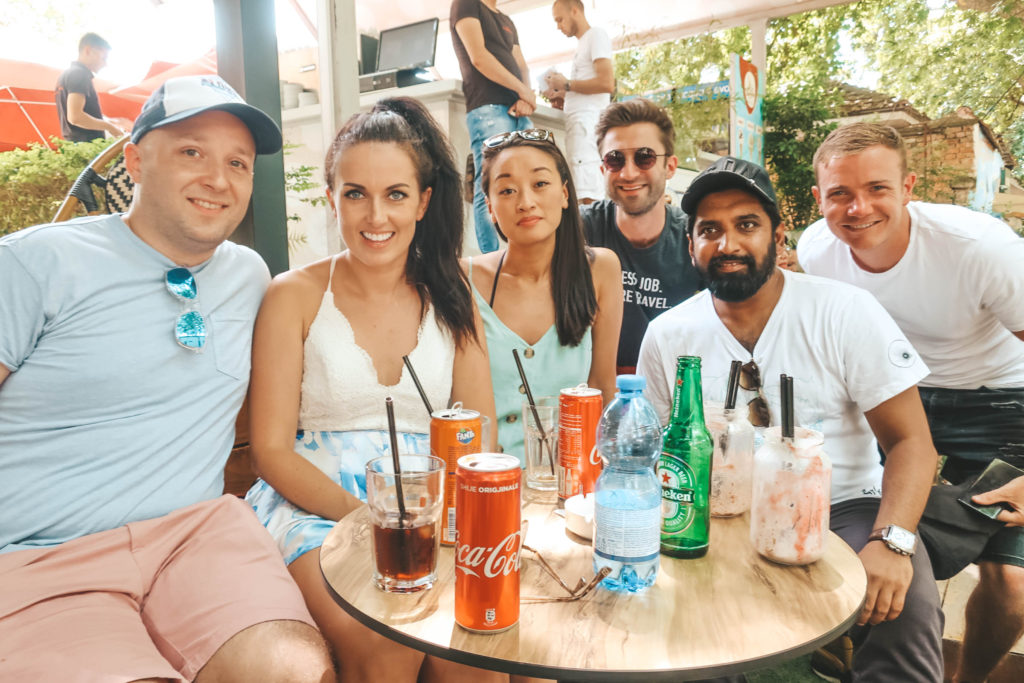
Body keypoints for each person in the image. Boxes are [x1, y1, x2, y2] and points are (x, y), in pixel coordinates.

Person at [0, 75, 332, 681]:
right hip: (40, 558)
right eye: (191, 152)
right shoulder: (34, 264)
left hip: (197, 537)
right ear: (133, 158)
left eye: (238, 162)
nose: (218, 178)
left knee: (294, 672)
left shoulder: (250, 276)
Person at [637, 156, 944, 681]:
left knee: (906, 610)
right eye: (710, 230)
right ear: (691, 246)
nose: (728, 244)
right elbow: (659, 456)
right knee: (679, 629)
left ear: (779, 238)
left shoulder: (845, 311)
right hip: (718, 517)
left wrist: (892, 542)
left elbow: (912, 442)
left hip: (846, 510)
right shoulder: (669, 335)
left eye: (747, 225)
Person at [244, 97, 502, 682]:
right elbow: (271, 451)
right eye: (355, 193)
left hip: (433, 510)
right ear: (332, 197)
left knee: (477, 649)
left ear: (424, 201)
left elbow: (478, 429)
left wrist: (445, 521)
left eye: (395, 194)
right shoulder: (295, 295)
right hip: (317, 507)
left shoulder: (454, 295)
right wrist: (372, 519)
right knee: (384, 641)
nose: (374, 215)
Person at [798, 121, 1024, 683]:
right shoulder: (816, 250)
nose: (858, 208)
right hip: (893, 396)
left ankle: (965, 677)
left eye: (877, 188)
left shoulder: (981, 248)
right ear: (818, 198)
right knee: (836, 522)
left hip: (998, 397)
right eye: (840, 194)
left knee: (1012, 584)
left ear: (909, 187)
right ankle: (848, 636)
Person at [466, 128, 622, 459]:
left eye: (540, 184)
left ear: (565, 195)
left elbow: (603, 388)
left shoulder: (600, 271)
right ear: (490, 208)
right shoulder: (465, 279)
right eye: (507, 190)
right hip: (490, 480)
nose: (526, 202)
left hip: (573, 484)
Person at [581, 98, 702, 373]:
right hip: (592, 389)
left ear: (670, 166)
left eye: (644, 157)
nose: (629, 172)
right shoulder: (579, 232)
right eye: (615, 159)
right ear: (603, 169)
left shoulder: (695, 238)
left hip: (675, 388)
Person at [451, 0, 536, 254]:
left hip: (518, 110)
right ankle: (492, 261)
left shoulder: (506, 19)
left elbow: (521, 64)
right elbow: (479, 57)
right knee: (489, 186)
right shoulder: (465, 4)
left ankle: (521, 253)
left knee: (529, 180)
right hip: (487, 109)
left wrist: (526, 97)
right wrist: (522, 90)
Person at [542, 0, 614, 203]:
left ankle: (592, 235)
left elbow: (606, 82)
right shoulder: (583, 43)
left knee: (588, 191)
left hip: (587, 125)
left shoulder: (596, 35)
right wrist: (564, 96)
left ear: (575, 11)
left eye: (560, 19)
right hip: (579, 125)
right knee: (581, 190)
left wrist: (566, 85)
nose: (558, 26)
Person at [55, 32, 127, 141]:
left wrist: (106, 121)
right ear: (88, 50)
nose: (105, 64)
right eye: (104, 58)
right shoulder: (79, 74)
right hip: (86, 146)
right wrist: (110, 127)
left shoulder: (67, 74)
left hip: (74, 145)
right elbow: (75, 117)